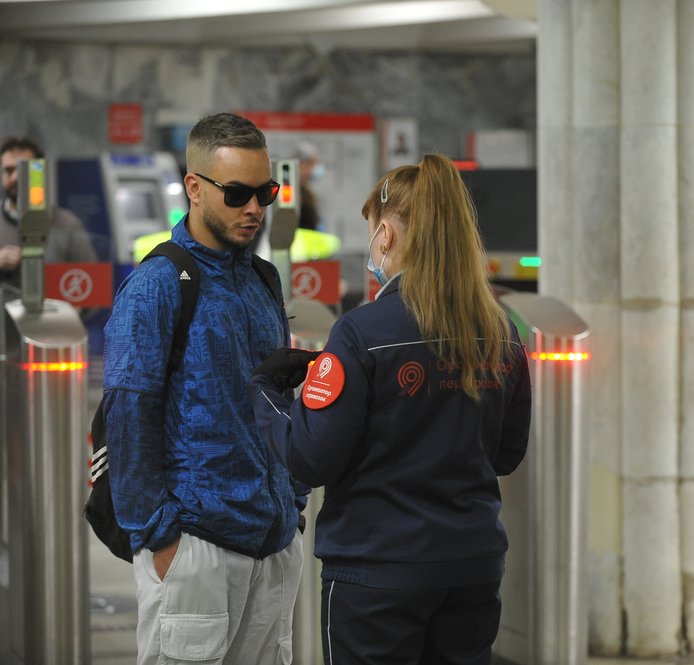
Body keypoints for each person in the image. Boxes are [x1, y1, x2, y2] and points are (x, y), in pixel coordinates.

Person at [250, 153, 532, 665]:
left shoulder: (362, 333)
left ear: (386, 235)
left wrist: (267, 393)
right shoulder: (499, 330)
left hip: (376, 573)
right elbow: (507, 452)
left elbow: (312, 458)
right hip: (471, 566)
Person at [102, 113, 306, 664]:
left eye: (266, 192)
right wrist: (163, 539)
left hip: (273, 542)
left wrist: (293, 503)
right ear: (194, 187)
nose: (254, 209)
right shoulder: (157, 285)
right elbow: (128, 415)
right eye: (237, 193)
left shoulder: (263, 278)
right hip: (197, 548)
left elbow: (279, 397)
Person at [1, 135, 97, 292]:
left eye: (23, 170)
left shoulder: (67, 224)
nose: (15, 177)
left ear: (40, 173)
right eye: (8, 170)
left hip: (54, 316)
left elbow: (91, 284)